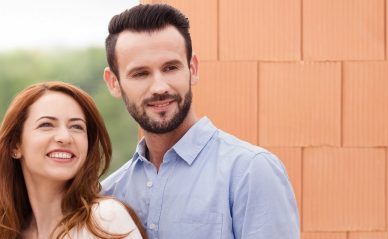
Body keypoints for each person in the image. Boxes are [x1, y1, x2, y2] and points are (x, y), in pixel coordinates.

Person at [100, 4, 300, 239]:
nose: (160, 87)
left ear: (192, 69)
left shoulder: (251, 172)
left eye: (171, 68)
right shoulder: (110, 194)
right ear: (114, 82)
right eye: (140, 74)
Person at [0, 81, 146, 239]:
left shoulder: (105, 220)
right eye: (46, 125)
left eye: (76, 127)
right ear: (15, 145)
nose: (65, 137)